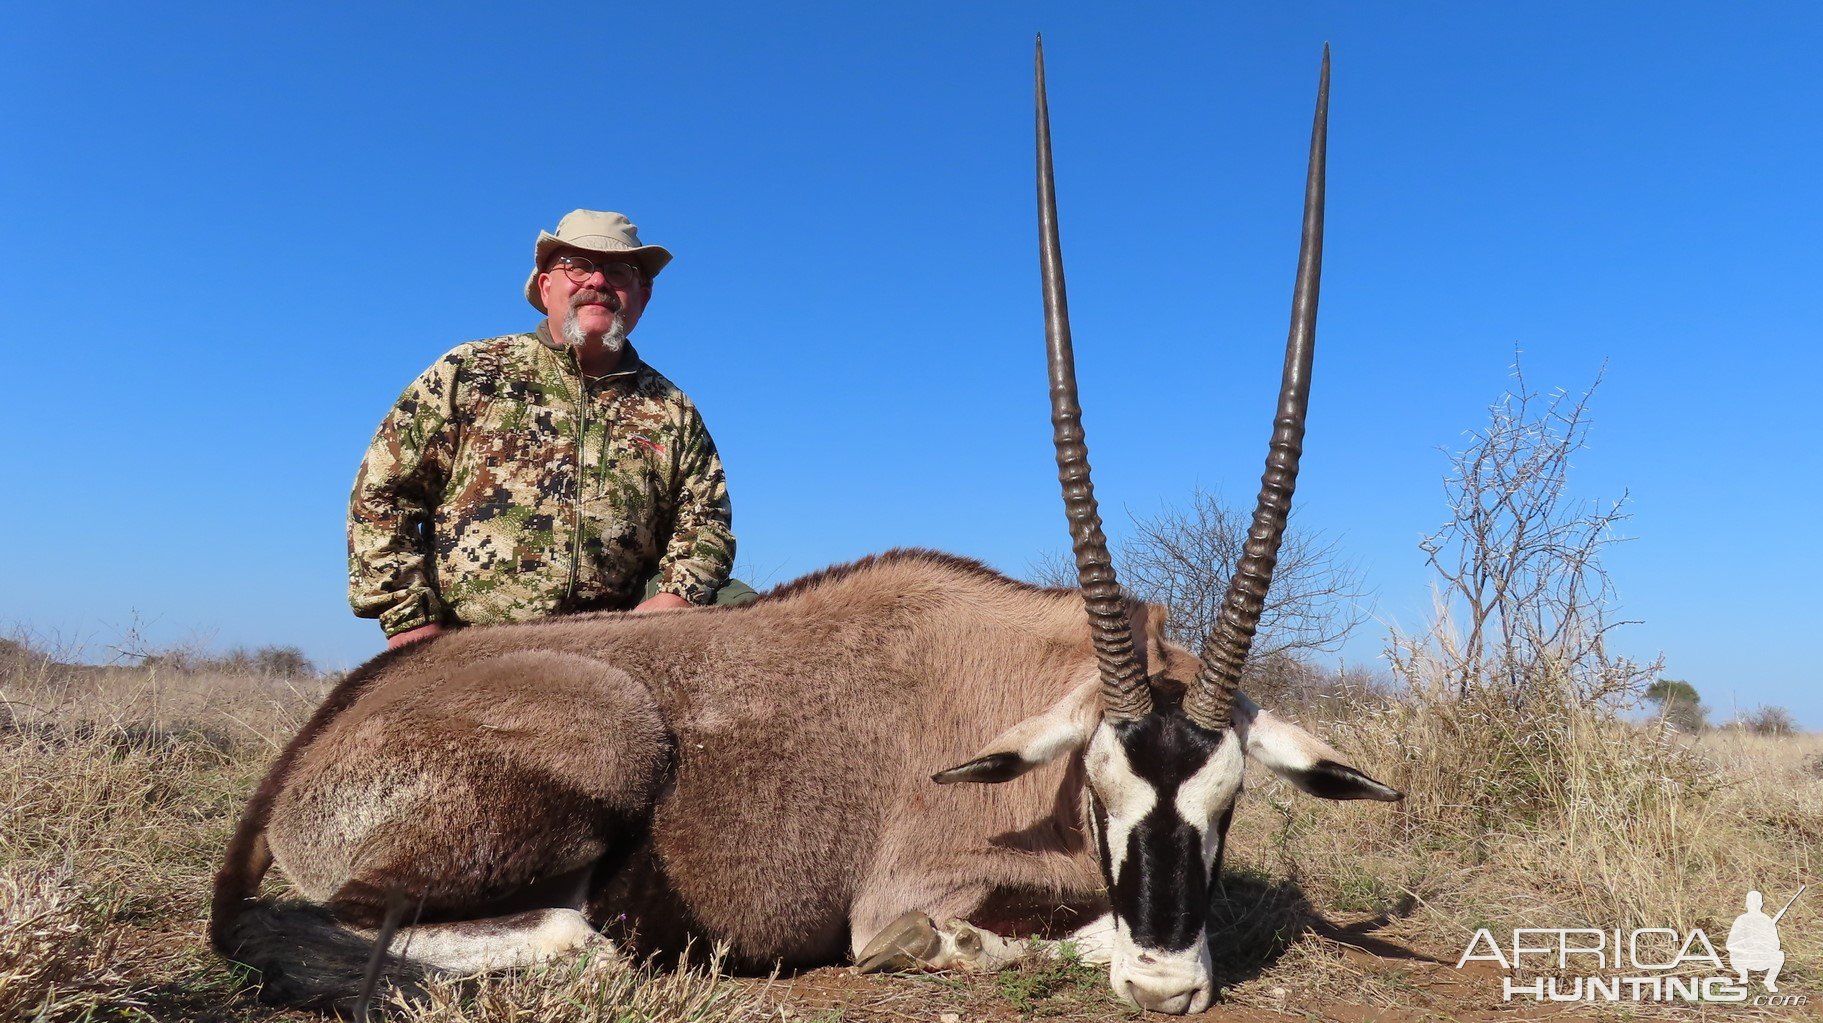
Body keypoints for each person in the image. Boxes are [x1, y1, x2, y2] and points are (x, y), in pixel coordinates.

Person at [348, 209, 749, 649]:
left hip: (617, 648)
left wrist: (675, 597)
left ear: (643, 294)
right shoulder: (471, 371)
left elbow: (707, 521)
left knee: (747, 613)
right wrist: (411, 623)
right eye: (577, 266)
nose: (597, 282)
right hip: (469, 645)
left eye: (618, 271)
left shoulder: (671, 407)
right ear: (545, 286)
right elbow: (383, 494)